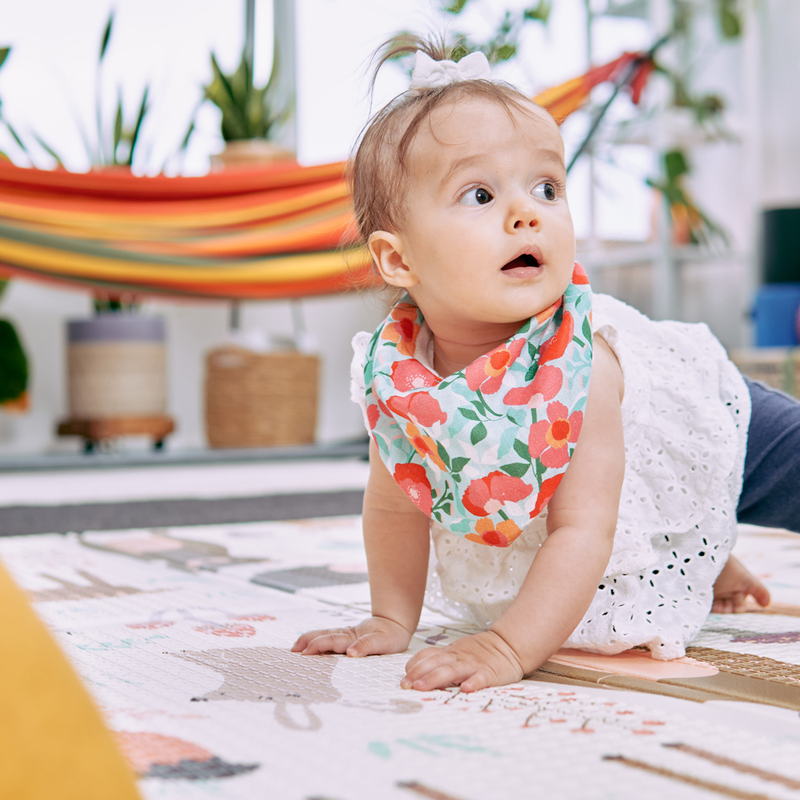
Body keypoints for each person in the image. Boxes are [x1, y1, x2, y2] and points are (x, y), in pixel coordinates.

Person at [293, 39, 784, 693]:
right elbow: (394, 509)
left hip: (710, 424)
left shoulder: (584, 364)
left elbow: (585, 529)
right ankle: (704, 557)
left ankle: (706, 542)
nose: (528, 212)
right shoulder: (398, 378)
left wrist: (506, 646)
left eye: (547, 187)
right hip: (622, 479)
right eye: (479, 194)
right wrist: (390, 619)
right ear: (399, 260)